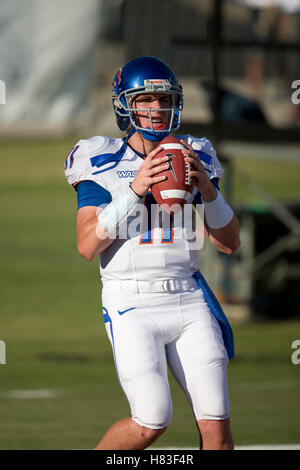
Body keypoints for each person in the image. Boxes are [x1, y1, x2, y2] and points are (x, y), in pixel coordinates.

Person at [64, 56, 240, 450]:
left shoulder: (194, 153)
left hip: (189, 296)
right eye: (146, 99)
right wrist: (135, 189)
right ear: (125, 104)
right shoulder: (102, 159)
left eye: (163, 100)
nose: (156, 109)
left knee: (216, 427)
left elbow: (230, 243)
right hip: (131, 300)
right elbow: (87, 245)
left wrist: (208, 191)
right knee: (151, 420)